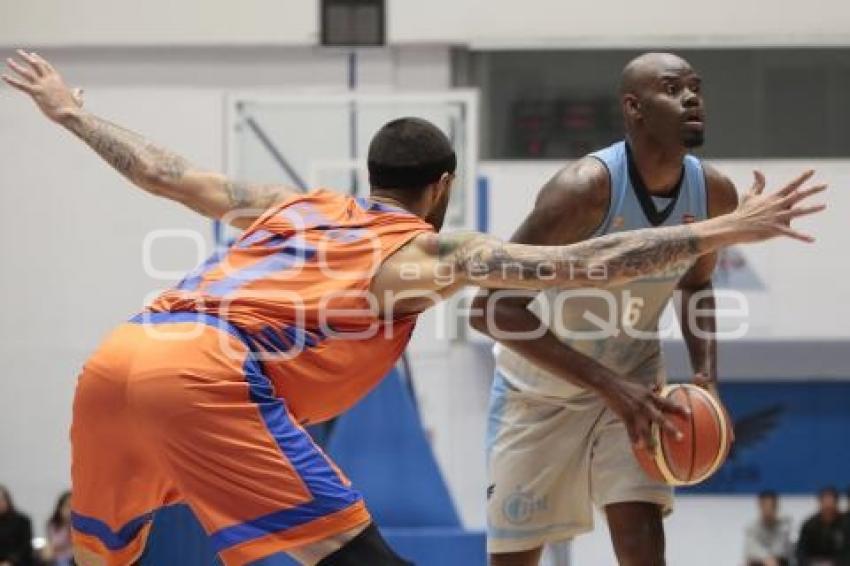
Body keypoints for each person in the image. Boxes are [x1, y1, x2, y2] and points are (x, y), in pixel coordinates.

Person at [2, 50, 825, 566]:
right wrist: (724, 226)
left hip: (115, 358)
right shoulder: (429, 251)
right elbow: (588, 262)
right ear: (441, 189)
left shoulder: (291, 204)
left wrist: (72, 113)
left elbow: (164, 172)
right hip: (205, 373)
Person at [468, 52, 800, 566]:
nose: (692, 98)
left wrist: (706, 380)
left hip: (636, 383)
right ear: (634, 108)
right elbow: (490, 310)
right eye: (672, 88)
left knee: (642, 538)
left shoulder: (711, 191)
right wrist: (605, 383)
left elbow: (697, 285)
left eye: (696, 87)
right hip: (538, 391)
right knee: (516, 558)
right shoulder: (582, 192)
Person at [797, 487, 846, 566]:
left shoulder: (846, 524)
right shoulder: (809, 525)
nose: (828, 507)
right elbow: (801, 551)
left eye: (831, 503)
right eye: (825, 503)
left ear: (836, 504)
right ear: (820, 503)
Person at [744, 491, 793, 566]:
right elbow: (751, 549)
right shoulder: (751, 527)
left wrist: (769, 559)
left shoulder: (785, 525)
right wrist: (766, 558)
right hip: (760, 562)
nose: (768, 509)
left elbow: (780, 549)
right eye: (765, 505)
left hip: (780, 562)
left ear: (776, 506)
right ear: (760, 506)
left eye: (771, 506)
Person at [0, 485, 34, 566]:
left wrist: (10, 561)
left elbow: (26, 547)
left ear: (7, 500)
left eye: (1, 500)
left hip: (18, 561)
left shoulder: (22, 521)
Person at [43, 492, 73, 566]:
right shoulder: (53, 524)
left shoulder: (82, 526)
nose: (71, 510)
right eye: (68, 506)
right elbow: (52, 545)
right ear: (60, 508)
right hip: (57, 557)